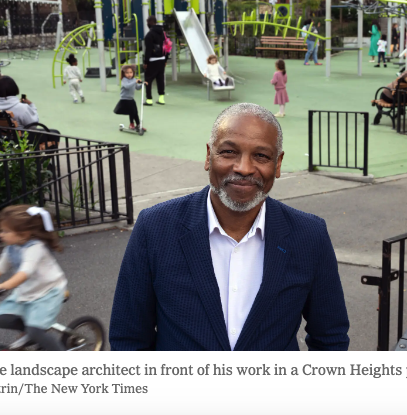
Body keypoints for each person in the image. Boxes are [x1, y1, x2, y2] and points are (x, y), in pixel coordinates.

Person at [110, 103, 349, 351]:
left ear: (277, 165)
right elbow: (129, 339)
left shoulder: (310, 236)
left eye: (261, 156)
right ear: (208, 156)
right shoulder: (155, 228)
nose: (244, 168)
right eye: (229, 152)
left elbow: (330, 339)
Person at [0, 205, 67, 351]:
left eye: (5, 231)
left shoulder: (35, 248)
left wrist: (1, 286)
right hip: (28, 292)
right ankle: (34, 334)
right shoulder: (11, 248)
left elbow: (24, 272)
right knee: (0, 318)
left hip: (48, 292)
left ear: (23, 234)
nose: (0, 235)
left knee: (35, 329)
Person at [143, 15, 167, 105]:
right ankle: (161, 98)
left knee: (148, 79)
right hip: (162, 59)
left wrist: (146, 62)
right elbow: (167, 47)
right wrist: (165, 59)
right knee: (160, 79)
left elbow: (148, 50)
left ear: (148, 23)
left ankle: (149, 99)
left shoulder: (149, 35)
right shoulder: (163, 33)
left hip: (152, 60)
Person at [114, 65, 145, 132]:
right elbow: (127, 86)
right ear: (124, 73)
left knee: (135, 112)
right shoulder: (124, 80)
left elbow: (137, 87)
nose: (129, 74)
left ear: (133, 73)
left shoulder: (134, 79)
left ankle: (139, 125)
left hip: (131, 99)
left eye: (130, 72)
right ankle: (131, 124)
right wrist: (135, 82)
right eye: (127, 73)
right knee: (132, 112)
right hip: (125, 99)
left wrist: (142, 85)